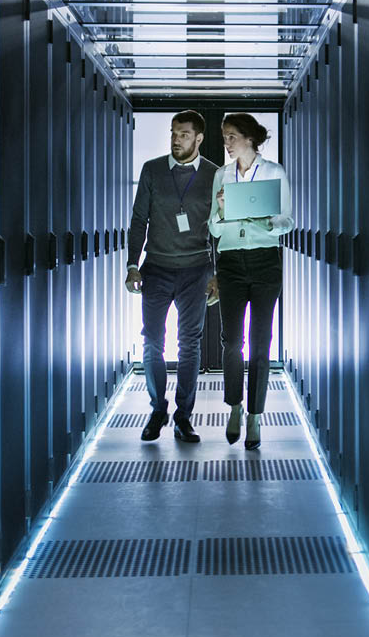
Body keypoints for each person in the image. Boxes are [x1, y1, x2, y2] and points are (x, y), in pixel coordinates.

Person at [126, 111, 219, 442]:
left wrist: (217, 274)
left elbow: (220, 229)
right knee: (152, 341)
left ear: (199, 138)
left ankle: (183, 415)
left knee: (189, 344)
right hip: (157, 267)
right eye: (173, 133)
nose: (176, 139)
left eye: (183, 134)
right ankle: (157, 409)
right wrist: (131, 264)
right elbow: (139, 220)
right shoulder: (152, 170)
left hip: (196, 270)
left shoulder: (214, 174)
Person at [208, 113, 294, 450]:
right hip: (230, 262)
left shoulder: (273, 172)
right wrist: (220, 212)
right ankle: (235, 407)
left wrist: (263, 220)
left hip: (264, 262)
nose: (226, 144)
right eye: (225, 137)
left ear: (249, 139)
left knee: (260, 344)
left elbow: (287, 221)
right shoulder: (221, 175)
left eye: (231, 137)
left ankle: (255, 416)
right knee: (232, 341)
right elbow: (213, 230)